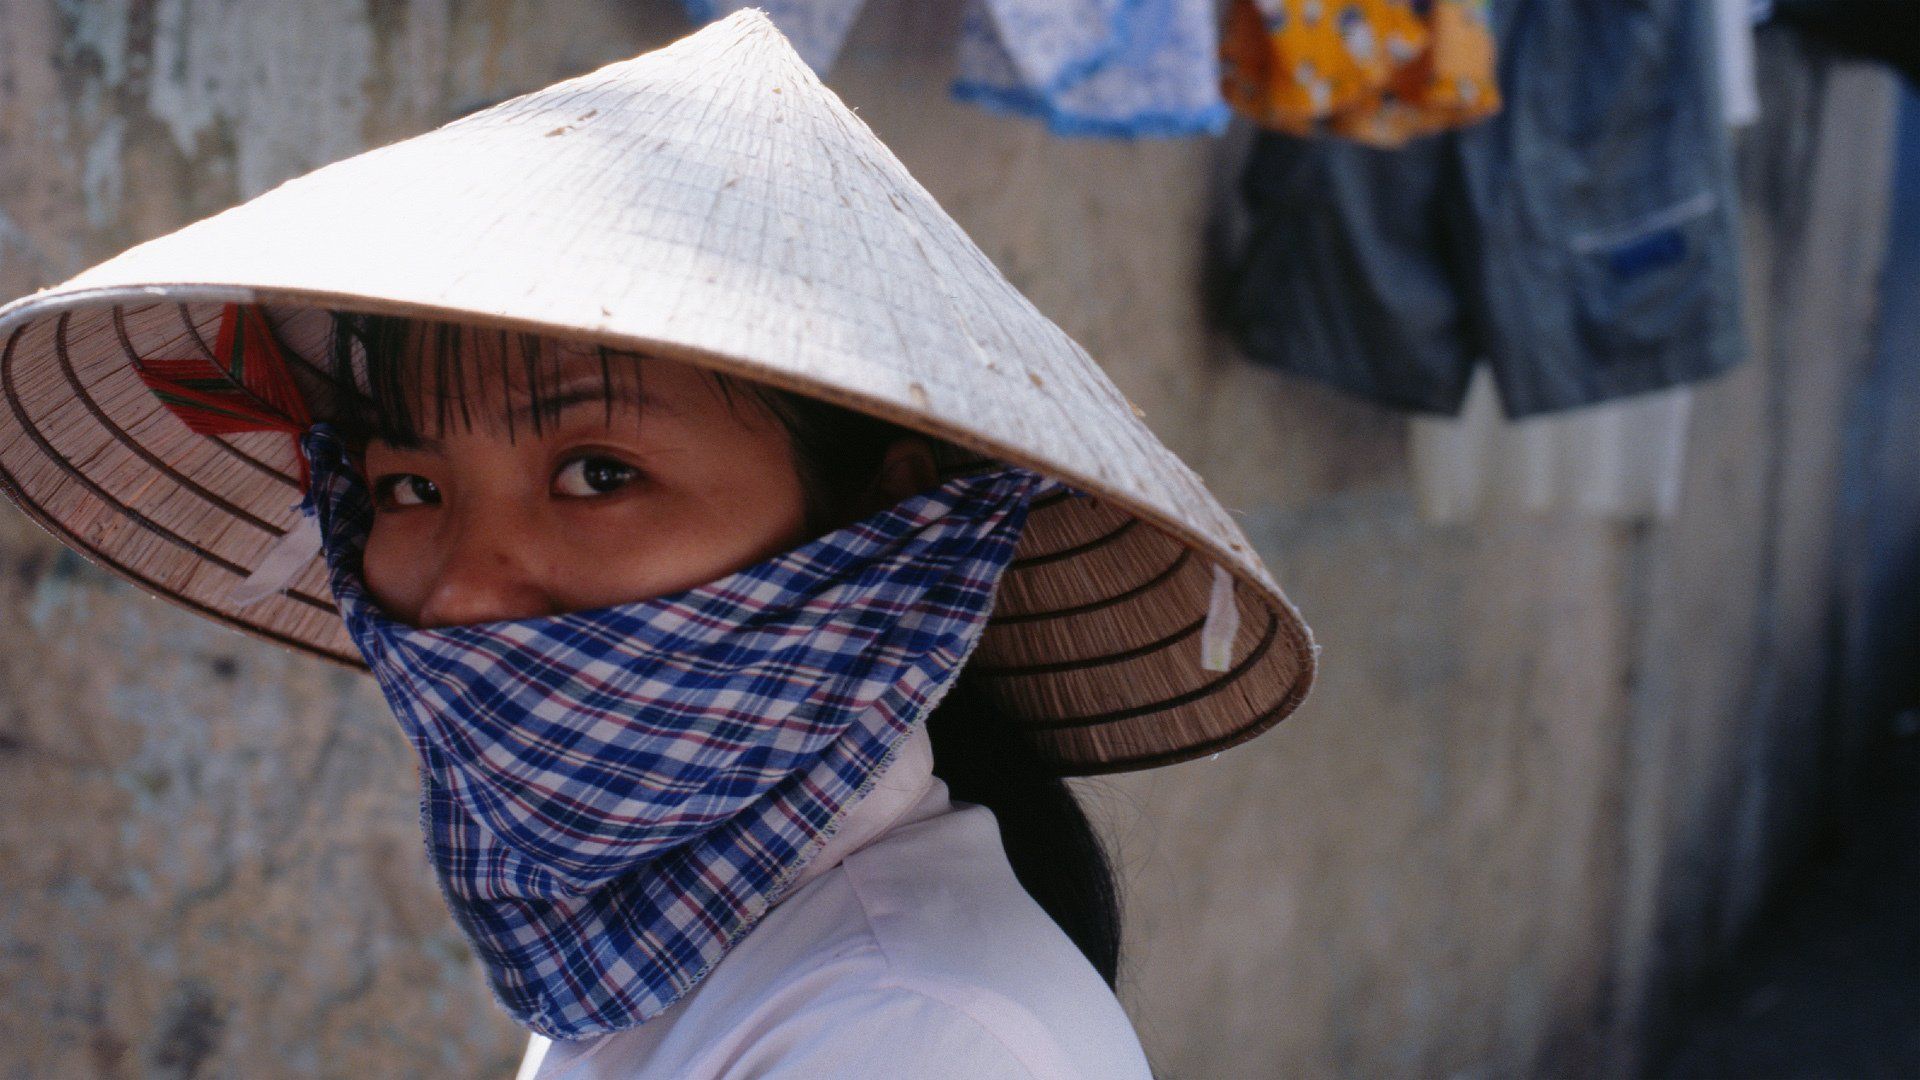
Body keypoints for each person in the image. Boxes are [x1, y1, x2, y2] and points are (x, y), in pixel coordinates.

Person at [0, 11, 1315, 1078]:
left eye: (598, 473)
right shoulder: (656, 950)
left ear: (882, 527)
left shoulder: (913, 1035)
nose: (460, 589)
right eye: (406, 485)